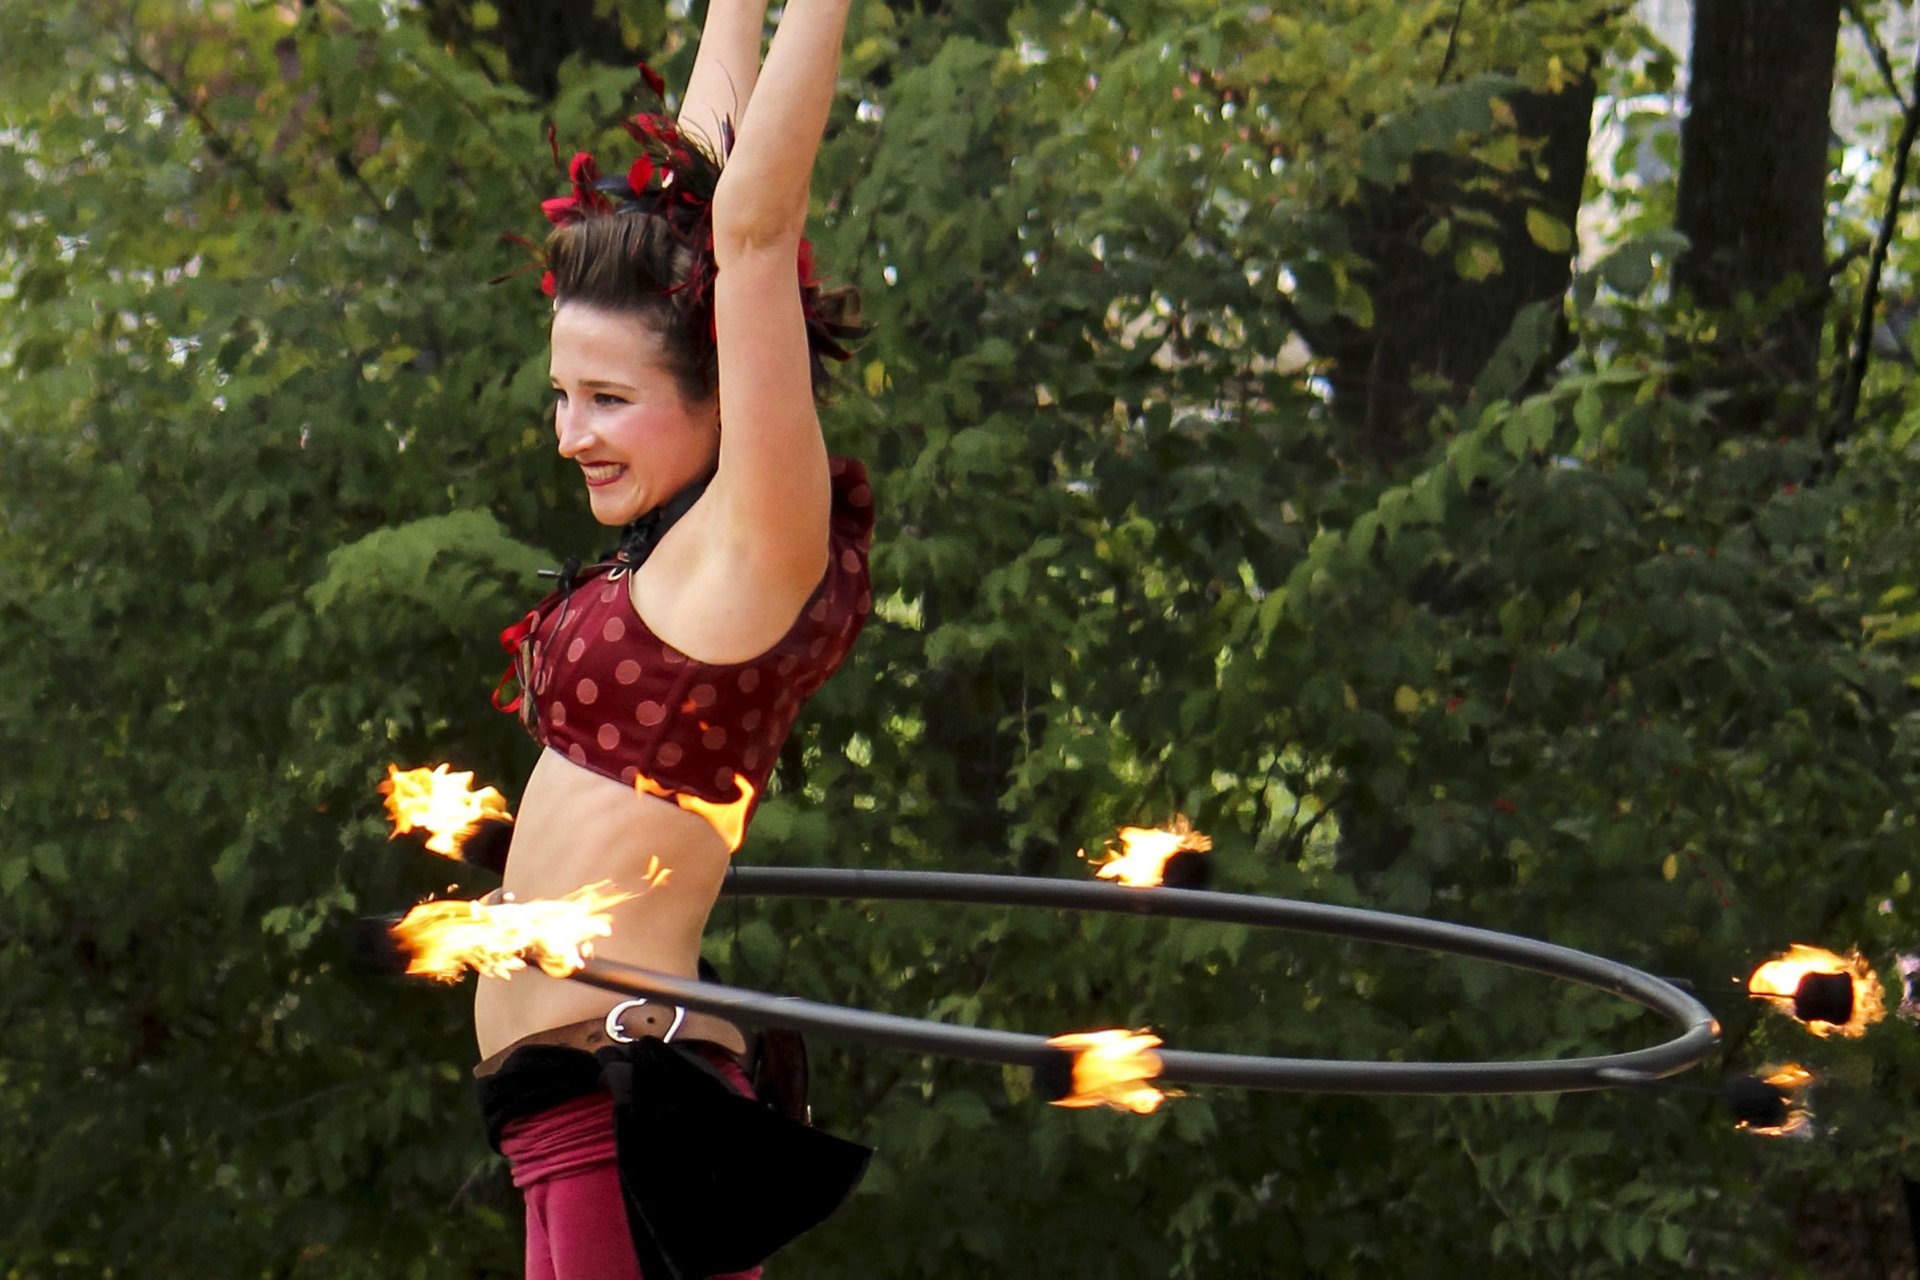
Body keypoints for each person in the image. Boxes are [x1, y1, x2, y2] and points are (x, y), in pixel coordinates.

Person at [472, 1, 873, 1275]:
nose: (568, 431)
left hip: (627, 1113)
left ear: (720, 389)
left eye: (607, 399)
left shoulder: (756, 546)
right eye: (560, 395)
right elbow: (704, 195)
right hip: (553, 1124)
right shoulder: (668, 556)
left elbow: (749, 235)